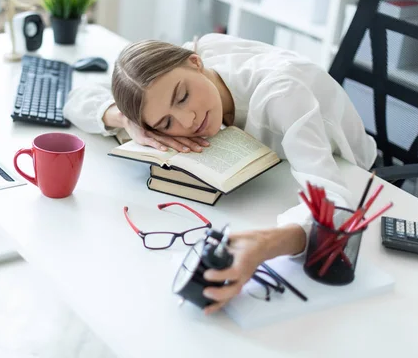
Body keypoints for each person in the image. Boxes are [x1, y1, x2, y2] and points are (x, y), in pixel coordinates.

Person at [63, 33, 377, 314]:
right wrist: (130, 121)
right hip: (273, 180)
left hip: (355, 171)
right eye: (166, 124)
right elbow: (77, 98)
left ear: (196, 63)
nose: (187, 121)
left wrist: (267, 244)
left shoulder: (281, 93)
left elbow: (335, 205)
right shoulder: (181, 70)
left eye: (182, 97)